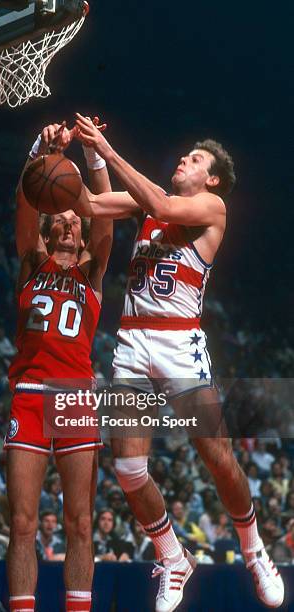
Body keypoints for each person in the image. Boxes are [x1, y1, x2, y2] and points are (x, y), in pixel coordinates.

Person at [73, 114, 284, 611]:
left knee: (217, 457)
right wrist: (88, 155)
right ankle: (172, 557)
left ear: (210, 178)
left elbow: (164, 204)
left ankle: (253, 550)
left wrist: (110, 146)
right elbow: (89, 203)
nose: (183, 159)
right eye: (185, 154)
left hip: (177, 344)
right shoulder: (147, 203)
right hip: (131, 342)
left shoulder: (213, 206)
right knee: (127, 468)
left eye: (195, 158)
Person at [5, 120, 113, 612]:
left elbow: (106, 220)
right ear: (51, 227)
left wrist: (92, 159)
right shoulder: (32, 261)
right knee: (23, 524)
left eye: (76, 218)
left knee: (81, 523)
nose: (70, 222)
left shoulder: (92, 272)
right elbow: (25, 205)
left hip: (74, 395)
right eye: (61, 218)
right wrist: (40, 152)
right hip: (29, 391)